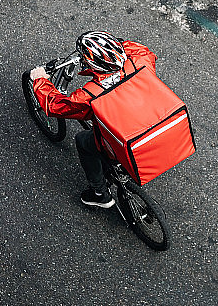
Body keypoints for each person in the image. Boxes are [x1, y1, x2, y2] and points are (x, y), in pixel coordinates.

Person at [30, 31, 157, 208]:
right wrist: (115, 48)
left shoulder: (90, 94)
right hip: (153, 120)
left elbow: (55, 106)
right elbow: (142, 50)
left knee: (83, 141)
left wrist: (40, 80)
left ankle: (99, 194)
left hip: (125, 136)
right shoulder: (142, 61)